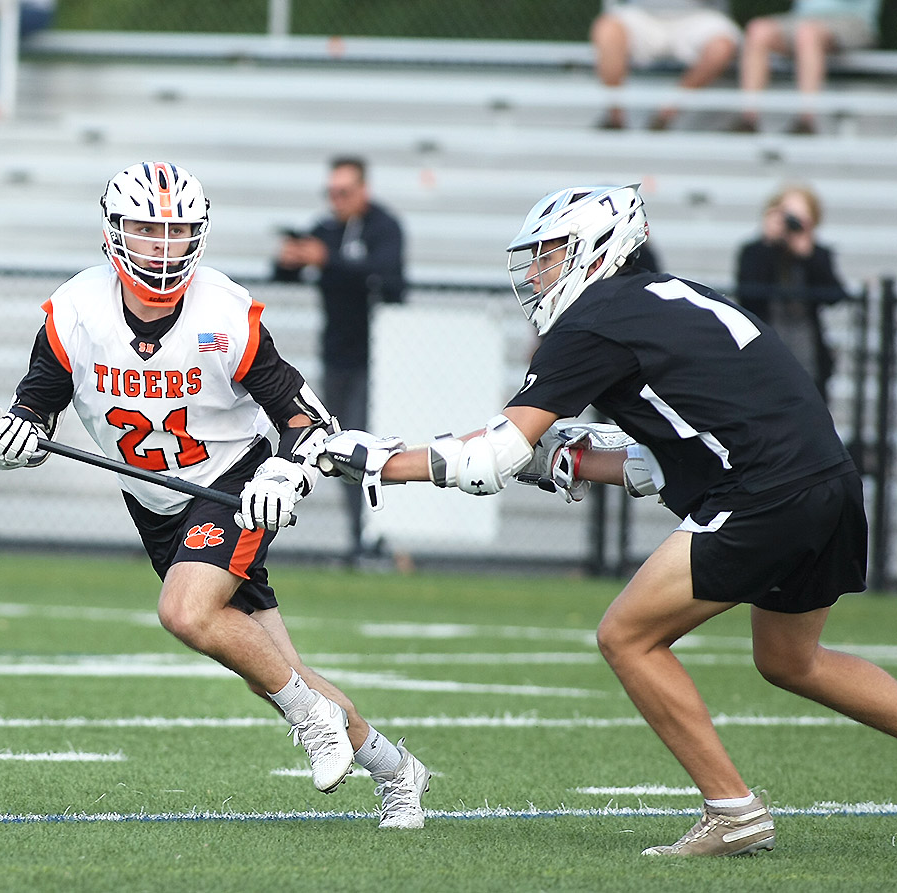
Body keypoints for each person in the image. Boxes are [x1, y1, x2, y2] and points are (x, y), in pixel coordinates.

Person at [308, 184, 897, 856]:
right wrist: (564, 458)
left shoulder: (593, 319)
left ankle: (732, 809)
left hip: (766, 491)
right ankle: (733, 808)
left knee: (627, 635)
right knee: (792, 660)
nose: (536, 274)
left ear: (596, 248)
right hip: (827, 479)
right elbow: (665, 454)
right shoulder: (665, 297)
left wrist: (379, 460)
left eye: (551, 254)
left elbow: (488, 457)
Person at [0, 161, 430, 830]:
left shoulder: (224, 310)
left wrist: (284, 473)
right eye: (146, 231)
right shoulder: (74, 311)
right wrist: (14, 437)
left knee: (185, 611)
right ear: (113, 233)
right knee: (275, 667)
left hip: (233, 480)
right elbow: (34, 411)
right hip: (157, 502)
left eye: (176, 232)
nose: (162, 248)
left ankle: (313, 720)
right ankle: (398, 769)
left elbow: (307, 420)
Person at [272, 156, 405, 567]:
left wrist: (326, 259)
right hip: (337, 356)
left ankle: (377, 536)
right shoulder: (326, 229)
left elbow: (391, 278)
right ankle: (361, 539)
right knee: (342, 448)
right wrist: (290, 256)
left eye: (344, 192)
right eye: (331, 193)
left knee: (371, 446)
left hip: (378, 357)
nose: (336, 201)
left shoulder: (384, 226)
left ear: (364, 190)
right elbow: (284, 275)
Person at [735, 184, 849, 404]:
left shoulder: (817, 254)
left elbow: (835, 295)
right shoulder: (755, 252)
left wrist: (807, 254)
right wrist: (768, 243)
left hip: (808, 352)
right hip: (766, 345)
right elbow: (747, 295)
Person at [731, 0, 882, 134]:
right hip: (802, 18)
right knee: (757, 29)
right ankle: (748, 119)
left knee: (807, 34)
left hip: (851, 19)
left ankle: (806, 121)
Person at [590, 0, 741, 131]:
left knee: (722, 47)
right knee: (606, 28)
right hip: (642, 13)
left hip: (700, 15)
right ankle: (615, 119)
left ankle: (665, 115)